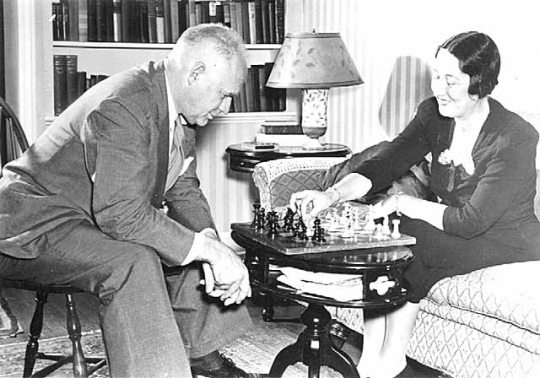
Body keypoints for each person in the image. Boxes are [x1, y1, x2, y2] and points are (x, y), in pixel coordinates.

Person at [0, 24, 256, 378]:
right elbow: (122, 216)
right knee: (133, 259)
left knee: (189, 241)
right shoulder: (125, 104)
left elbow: (182, 188)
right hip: (30, 224)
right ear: (196, 74)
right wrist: (212, 252)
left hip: (85, 219)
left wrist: (210, 240)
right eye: (223, 94)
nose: (225, 107)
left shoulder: (179, 111)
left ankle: (203, 358)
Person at [291, 31, 540, 378]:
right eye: (436, 75)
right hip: (458, 228)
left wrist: (402, 202)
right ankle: (370, 361)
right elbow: (385, 164)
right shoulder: (434, 115)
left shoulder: (514, 135)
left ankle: (390, 361)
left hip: (507, 240)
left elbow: (470, 222)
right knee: (385, 236)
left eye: (451, 81)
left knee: (412, 240)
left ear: (479, 84)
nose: (439, 88)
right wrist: (330, 196)